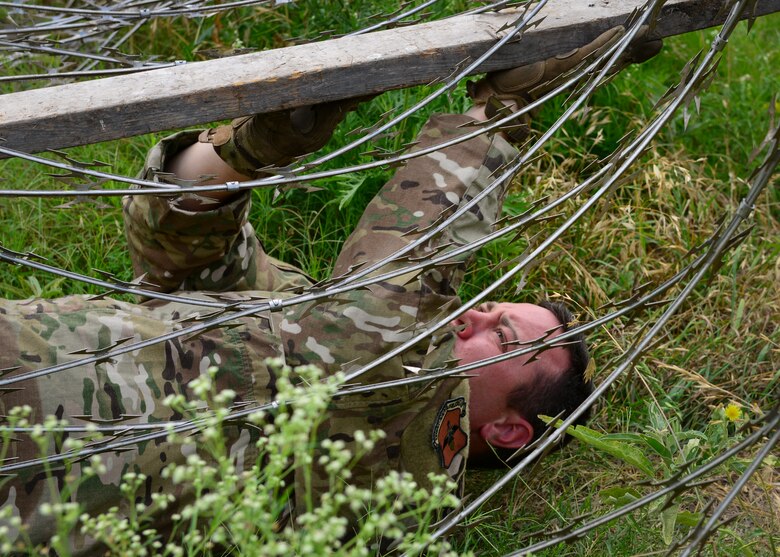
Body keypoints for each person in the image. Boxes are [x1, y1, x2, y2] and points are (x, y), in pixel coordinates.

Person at [0, 27, 659, 553]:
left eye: (503, 338)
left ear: (511, 429)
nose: (469, 320)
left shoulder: (408, 495)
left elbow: (384, 323)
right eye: (487, 307)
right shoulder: (323, 323)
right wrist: (248, 148)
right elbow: (179, 243)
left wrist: (504, 116)